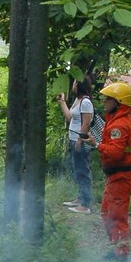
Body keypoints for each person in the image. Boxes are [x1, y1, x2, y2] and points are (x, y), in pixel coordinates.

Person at [95, 81, 131, 257]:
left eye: (108, 99)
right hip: (120, 175)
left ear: (118, 102)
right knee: (107, 212)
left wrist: (97, 145)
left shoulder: (119, 125)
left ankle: (121, 255)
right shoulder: (127, 121)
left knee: (116, 217)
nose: (104, 102)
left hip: (121, 176)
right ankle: (115, 248)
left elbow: (115, 153)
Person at [57, 78, 94, 212]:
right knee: (78, 170)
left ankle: (85, 204)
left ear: (79, 85)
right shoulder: (78, 100)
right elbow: (69, 118)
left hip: (81, 142)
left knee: (83, 170)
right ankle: (80, 198)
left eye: (74, 82)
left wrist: (79, 139)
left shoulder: (86, 102)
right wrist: (62, 102)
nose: (73, 84)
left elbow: (86, 123)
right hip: (73, 139)